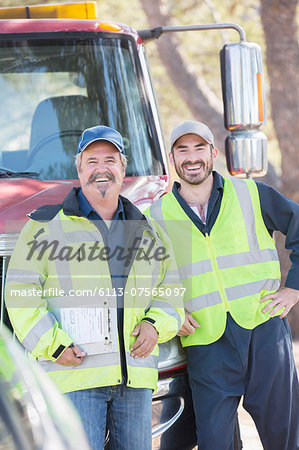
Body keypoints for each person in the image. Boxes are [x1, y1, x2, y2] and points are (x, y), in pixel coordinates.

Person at [5, 125, 185, 450]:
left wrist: (155, 323)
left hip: (135, 378)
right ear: (79, 169)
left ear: (123, 167)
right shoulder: (45, 227)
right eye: (92, 161)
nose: (101, 169)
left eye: (110, 159)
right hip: (75, 376)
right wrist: (52, 345)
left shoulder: (149, 229)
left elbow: (171, 288)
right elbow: (20, 292)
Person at [146, 120, 299, 450]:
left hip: (263, 330)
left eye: (199, 148)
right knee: (215, 442)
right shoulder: (155, 215)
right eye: (182, 150)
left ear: (213, 153)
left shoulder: (250, 193)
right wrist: (170, 311)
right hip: (205, 342)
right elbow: (144, 278)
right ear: (172, 159)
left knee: (285, 436)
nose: (192, 157)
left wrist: (294, 288)